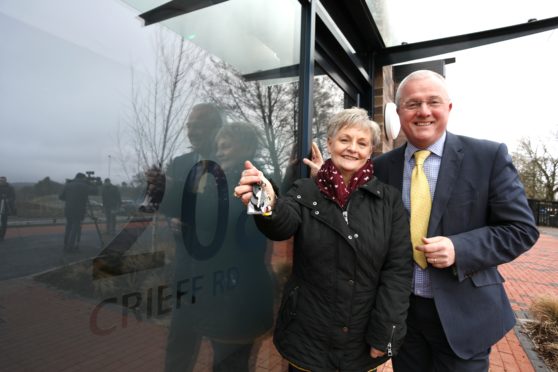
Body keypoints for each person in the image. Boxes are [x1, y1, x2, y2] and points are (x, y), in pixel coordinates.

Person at [371, 70, 540, 371]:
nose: (423, 111)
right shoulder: (381, 167)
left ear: (448, 108)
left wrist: (459, 248)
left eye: (433, 101)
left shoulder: (488, 156)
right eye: (412, 104)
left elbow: (521, 230)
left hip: (465, 318)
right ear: (398, 113)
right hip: (404, 318)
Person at [234, 107, 413, 372]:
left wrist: (385, 333)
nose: (352, 148)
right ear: (330, 143)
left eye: (362, 143)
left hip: (360, 342)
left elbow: (398, 270)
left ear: (370, 150)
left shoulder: (389, 201)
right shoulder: (305, 190)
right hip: (307, 337)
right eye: (344, 139)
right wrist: (264, 201)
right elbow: (281, 225)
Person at [164, 121, 274, 372]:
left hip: (236, 296)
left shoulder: (257, 183)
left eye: (227, 145)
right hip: (213, 291)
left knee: (230, 365)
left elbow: (256, 233)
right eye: (218, 146)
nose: (220, 151)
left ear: (245, 147)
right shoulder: (216, 182)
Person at [59, 173, 94, 253]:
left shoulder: (68, 185)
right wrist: (90, 184)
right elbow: (95, 191)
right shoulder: (84, 186)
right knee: (75, 227)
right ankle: (71, 246)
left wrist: (70, 199)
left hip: (68, 209)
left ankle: (66, 244)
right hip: (79, 210)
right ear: (82, 178)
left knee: (68, 227)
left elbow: (61, 196)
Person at [0, 176, 16, 240]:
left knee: (3, 222)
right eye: (0, 180)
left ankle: (1, 236)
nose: (0, 181)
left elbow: (13, 197)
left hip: (5, 207)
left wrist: (8, 199)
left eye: (2, 180)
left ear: (5, 181)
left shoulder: (10, 188)